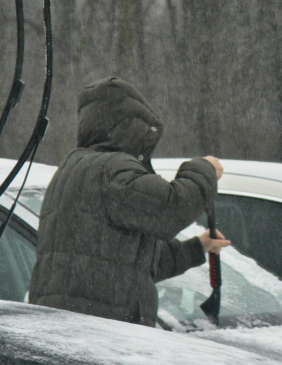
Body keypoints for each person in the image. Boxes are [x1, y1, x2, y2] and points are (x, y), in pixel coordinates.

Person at [28, 77, 230, 327]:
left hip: (74, 329)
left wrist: (197, 248)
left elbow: (130, 263)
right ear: (130, 127)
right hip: (99, 335)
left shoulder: (75, 167)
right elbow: (171, 210)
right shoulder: (111, 169)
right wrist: (203, 169)